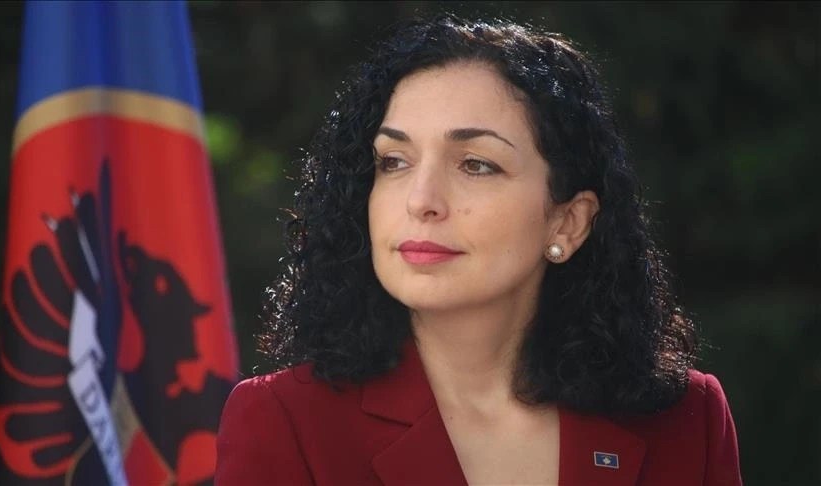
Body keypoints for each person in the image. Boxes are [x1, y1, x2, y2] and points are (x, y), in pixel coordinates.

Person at [216, 13, 742, 486]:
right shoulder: (284, 419)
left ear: (568, 221)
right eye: (394, 162)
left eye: (475, 164)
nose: (421, 200)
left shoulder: (688, 419)